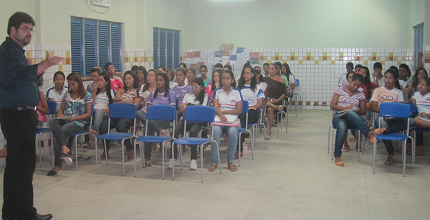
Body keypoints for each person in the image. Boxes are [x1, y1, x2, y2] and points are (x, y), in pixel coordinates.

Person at [0, 11, 63, 220]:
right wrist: (46, 65)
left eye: (30, 29)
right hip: (17, 116)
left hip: (19, 115)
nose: (29, 33)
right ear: (13, 30)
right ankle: (24, 214)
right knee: (23, 167)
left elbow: (24, 79)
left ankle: (14, 212)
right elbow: (19, 76)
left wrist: (38, 70)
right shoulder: (8, 51)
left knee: (18, 167)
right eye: (25, 28)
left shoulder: (16, 51)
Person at [48, 72, 92, 176]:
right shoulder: (66, 94)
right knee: (53, 121)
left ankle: (57, 165)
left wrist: (75, 118)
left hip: (78, 122)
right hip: (66, 119)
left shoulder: (86, 95)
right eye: (70, 84)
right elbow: (61, 110)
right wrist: (60, 114)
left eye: (73, 84)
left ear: (79, 83)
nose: (71, 87)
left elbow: (88, 114)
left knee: (58, 133)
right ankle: (64, 146)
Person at [330, 74, 378, 167]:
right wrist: (345, 108)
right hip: (338, 116)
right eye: (354, 84)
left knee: (351, 113)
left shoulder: (360, 94)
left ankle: (337, 156)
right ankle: (367, 133)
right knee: (342, 126)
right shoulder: (339, 90)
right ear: (350, 81)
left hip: (353, 118)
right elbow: (332, 106)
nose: (356, 87)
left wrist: (356, 109)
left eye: (358, 86)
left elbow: (363, 111)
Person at [99, 71, 141, 159]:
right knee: (103, 126)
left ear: (134, 79)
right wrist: (128, 101)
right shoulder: (121, 90)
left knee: (121, 126)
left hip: (130, 115)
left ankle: (129, 149)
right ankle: (106, 150)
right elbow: (115, 101)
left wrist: (121, 100)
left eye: (129, 78)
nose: (127, 81)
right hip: (117, 114)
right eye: (125, 79)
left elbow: (135, 105)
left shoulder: (138, 91)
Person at [170, 78, 209, 170]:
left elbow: (201, 111)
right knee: (174, 132)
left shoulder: (205, 96)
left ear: (201, 87)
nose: (194, 89)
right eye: (193, 87)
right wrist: (193, 107)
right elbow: (181, 109)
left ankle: (193, 159)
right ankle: (173, 158)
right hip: (185, 119)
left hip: (197, 121)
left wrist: (188, 106)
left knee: (193, 133)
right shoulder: (187, 95)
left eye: (196, 87)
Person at [209, 70, 243, 172]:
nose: (225, 80)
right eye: (223, 78)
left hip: (233, 120)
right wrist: (221, 114)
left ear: (232, 80)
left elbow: (239, 110)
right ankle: (214, 161)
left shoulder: (237, 92)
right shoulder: (217, 91)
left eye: (227, 78)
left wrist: (224, 112)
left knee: (233, 132)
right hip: (219, 119)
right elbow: (215, 107)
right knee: (215, 131)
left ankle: (230, 161)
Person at [371, 69, 407, 165]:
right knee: (382, 124)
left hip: (395, 118)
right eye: (386, 77)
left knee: (411, 121)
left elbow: (400, 109)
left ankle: (386, 130)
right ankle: (391, 153)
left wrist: (392, 113)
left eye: (390, 78)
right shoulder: (378, 90)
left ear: (394, 79)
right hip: (381, 117)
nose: (387, 80)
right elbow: (374, 107)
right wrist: (386, 112)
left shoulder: (398, 92)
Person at [140, 73, 176, 167]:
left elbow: (170, 111)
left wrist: (157, 109)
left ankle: (147, 158)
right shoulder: (153, 93)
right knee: (139, 115)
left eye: (161, 80)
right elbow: (148, 107)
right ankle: (159, 129)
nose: (158, 82)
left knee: (148, 125)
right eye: (157, 80)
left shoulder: (171, 94)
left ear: (165, 82)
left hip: (165, 120)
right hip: (153, 119)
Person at [236, 66, 264, 158]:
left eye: (248, 73)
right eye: (244, 73)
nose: (246, 75)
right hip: (240, 112)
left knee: (241, 119)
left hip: (253, 112)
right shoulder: (238, 88)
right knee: (238, 118)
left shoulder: (257, 88)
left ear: (252, 75)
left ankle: (238, 149)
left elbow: (259, 104)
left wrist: (249, 107)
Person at [264, 64, 286, 140]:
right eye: (270, 69)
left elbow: (284, 94)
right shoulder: (265, 79)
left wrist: (277, 100)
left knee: (270, 109)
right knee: (266, 103)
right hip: (267, 100)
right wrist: (267, 97)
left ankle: (269, 130)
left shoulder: (281, 80)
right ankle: (276, 107)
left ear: (276, 70)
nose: (271, 70)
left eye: (273, 69)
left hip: (276, 100)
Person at [411, 76, 430, 164]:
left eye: (423, 84)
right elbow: (412, 101)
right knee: (415, 120)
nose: (420, 86)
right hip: (421, 119)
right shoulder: (416, 95)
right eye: (419, 84)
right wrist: (412, 99)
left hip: (428, 117)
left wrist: (428, 115)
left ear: (428, 87)